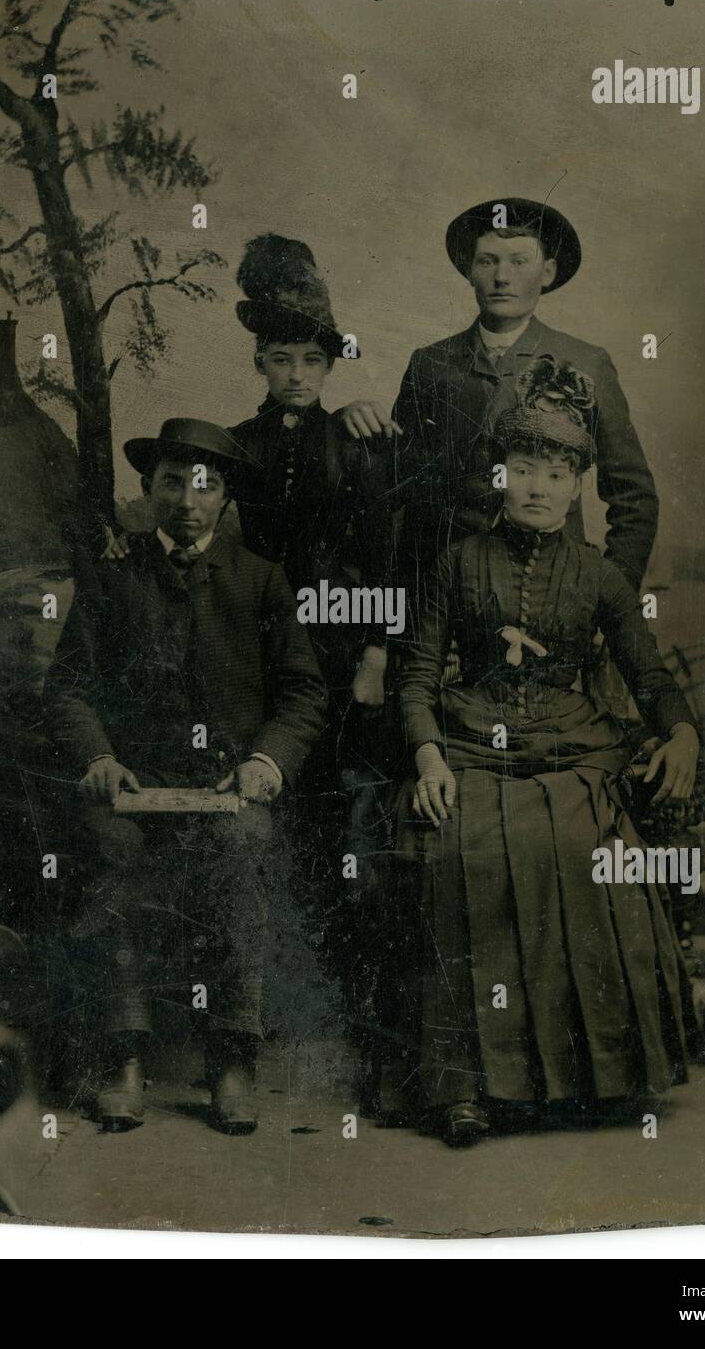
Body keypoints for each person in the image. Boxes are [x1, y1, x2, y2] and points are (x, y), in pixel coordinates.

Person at [387, 355, 699, 1147]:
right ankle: (462, 1087)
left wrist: (684, 730)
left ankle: (591, 1079)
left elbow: (648, 672)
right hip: (467, 743)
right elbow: (416, 675)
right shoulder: (456, 562)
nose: (535, 487)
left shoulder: (598, 577)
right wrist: (426, 756)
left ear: (576, 486)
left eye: (555, 472)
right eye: (520, 467)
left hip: (571, 750)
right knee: (456, 844)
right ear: (499, 474)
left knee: (576, 844)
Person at [44, 418, 327, 1134]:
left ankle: (231, 1057)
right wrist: (99, 758)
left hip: (227, 791)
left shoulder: (260, 581)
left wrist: (264, 764)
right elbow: (70, 686)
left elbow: (302, 693)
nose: (188, 500)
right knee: (112, 852)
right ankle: (124, 1055)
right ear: (148, 488)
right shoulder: (112, 578)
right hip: (133, 790)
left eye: (205, 485)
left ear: (225, 498)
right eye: (172, 481)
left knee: (238, 854)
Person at [227, 235, 398, 1034]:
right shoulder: (236, 447)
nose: (295, 374)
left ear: (328, 369)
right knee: (271, 803)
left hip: (337, 647)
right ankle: (261, 992)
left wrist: (373, 654)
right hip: (261, 644)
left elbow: (384, 555)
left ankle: (336, 1002)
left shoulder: (354, 449)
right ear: (260, 361)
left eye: (310, 361)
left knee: (338, 810)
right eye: (280, 358)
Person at [339, 197, 659, 600]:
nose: (502, 277)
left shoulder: (586, 363)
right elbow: (396, 485)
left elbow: (634, 497)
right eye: (487, 261)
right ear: (469, 271)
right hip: (445, 590)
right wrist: (347, 418)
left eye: (519, 261)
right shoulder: (430, 363)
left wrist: (610, 596)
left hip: (550, 592)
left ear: (548, 272)